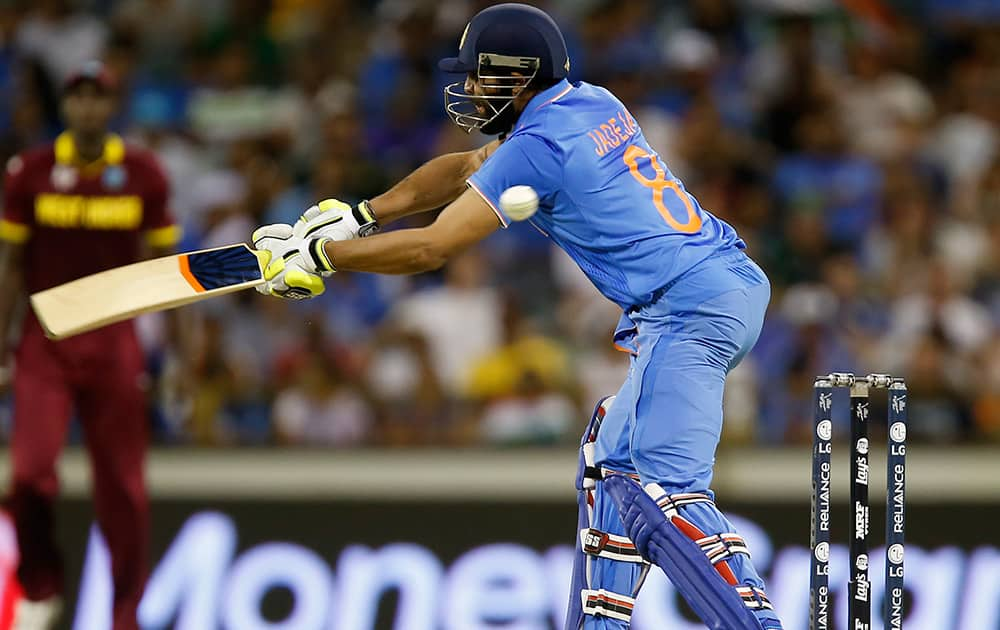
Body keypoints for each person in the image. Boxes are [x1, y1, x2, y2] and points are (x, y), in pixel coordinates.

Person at [250, 4, 782, 629]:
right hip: (720, 284)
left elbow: (434, 247)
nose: (469, 89)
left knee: (663, 490)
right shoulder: (589, 102)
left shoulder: (538, 148)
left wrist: (324, 255)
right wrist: (363, 214)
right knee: (610, 466)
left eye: (480, 75)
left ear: (517, 76)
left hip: (689, 306)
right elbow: (467, 168)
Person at [0, 61, 178, 630]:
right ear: (65, 107)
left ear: (112, 106)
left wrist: (172, 355)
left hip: (114, 339)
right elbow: (10, 265)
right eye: (77, 97)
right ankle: (40, 582)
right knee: (29, 474)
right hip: (43, 339)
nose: (87, 108)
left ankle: (125, 613)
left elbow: (166, 267)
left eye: (97, 98)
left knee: (124, 487)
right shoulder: (29, 171)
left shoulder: (145, 173)